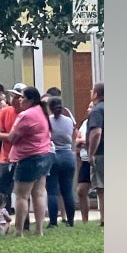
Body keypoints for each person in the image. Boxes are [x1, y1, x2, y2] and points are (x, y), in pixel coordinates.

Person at [8, 86, 53, 237]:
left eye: (22, 97)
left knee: (22, 196)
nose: (20, 100)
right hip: (44, 155)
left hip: (27, 158)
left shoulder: (25, 115)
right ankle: (39, 230)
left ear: (31, 100)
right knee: (39, 194)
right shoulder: (42, 112)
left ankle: (18, 231)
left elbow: (12, 137)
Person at [0, 83, 30, 231]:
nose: (14, 99)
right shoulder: (5, 112)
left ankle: (25, 224)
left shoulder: (28, 114)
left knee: (23, 192)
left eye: (18, 97)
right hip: (5, 158)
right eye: (13, 96)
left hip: (23, 158)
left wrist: (12, 137)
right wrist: (12, 137)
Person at [45, 96, 77, 228]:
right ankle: (70, 220)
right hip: (68, 155)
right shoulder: (69, 120)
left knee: (52, 191)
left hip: (53, 155)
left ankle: (53, 222)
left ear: (49, 108)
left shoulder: (48, 121)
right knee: (67, 190)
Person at [75, 100, 98, 223]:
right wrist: (83, 141)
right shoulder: (85, 123)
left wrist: (85, 141)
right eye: (88, 107)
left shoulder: (99, 121)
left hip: (96, 159)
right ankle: (85, 220)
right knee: (81, 190)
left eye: (91, 107)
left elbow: (94, 137)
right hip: (84, 160)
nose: (88, 110)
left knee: (101, 189)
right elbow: (78, 138)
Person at [86, 83, 104, 227]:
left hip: (101, 152)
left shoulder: (97, 110)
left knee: (102, 187)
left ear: (96, 94)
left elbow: (96, 133)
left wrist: (91, 153)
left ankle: (105, 218)